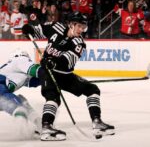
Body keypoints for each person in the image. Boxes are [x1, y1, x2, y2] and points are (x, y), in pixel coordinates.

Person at [22, 11, 115, 141]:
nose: (81, 29)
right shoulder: (56, 27)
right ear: (71, 24)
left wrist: (53, 62)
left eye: (84, 27)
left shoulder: (79, 43)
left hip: (65, 75)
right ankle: (46, 127)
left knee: (92, 89)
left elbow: (67, 61)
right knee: (53, 98)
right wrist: (29, 29)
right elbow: (39, 31)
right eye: (79, 26)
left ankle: (97, 122)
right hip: (48, 73)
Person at [0, 49, 42, 137]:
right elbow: (37, 70)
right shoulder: (20, 59)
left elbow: (33, 81)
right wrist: (46, 69)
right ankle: (19, 112)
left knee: (22, 101)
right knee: (11, 102)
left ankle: (39, 123)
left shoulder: (18, 71)